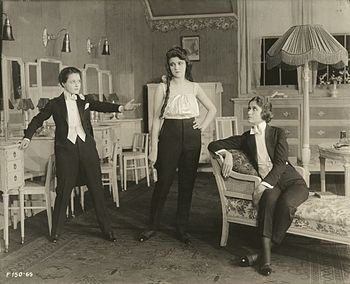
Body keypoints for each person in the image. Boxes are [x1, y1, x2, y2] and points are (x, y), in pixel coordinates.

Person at [19, 66, 139, 243]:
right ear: (63, 84)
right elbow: (38, 120)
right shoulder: (54, 104)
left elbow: (102, 106)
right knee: (63, 190)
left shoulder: (85, 100)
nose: (77, 85)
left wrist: (121, 108)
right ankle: (56, 231)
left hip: (87, 149)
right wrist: (27, 137)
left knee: (97, 189)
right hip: (66, 151)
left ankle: (107, 230)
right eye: (73, 82)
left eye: (79, 81)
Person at [208, 96, 308, 276]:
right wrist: (226, 154)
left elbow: (280, 164)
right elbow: (213, 144)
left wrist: (262, 185)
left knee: (286, 204)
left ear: (265, 112)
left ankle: (260, 254)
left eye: (253, 109)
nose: (249, 112)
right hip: (272, 185)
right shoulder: (247, 138)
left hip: (292, 182)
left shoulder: (278, 133)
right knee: (268, 201)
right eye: (249, 108)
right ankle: (266, 261)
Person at [139, 46, 216, 244]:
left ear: (186, 64)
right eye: (172, 64)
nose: (176, 67)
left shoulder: (194, 87)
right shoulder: (163, 87)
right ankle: (152, 225)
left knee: (187, 184)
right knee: (163, 181)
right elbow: (156, 120)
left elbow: (212, 109)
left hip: (192, 136)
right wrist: (153, 149)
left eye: (180, 63)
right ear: (169, 67)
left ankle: (181, 228)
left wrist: (202, 125)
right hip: (169, 135)